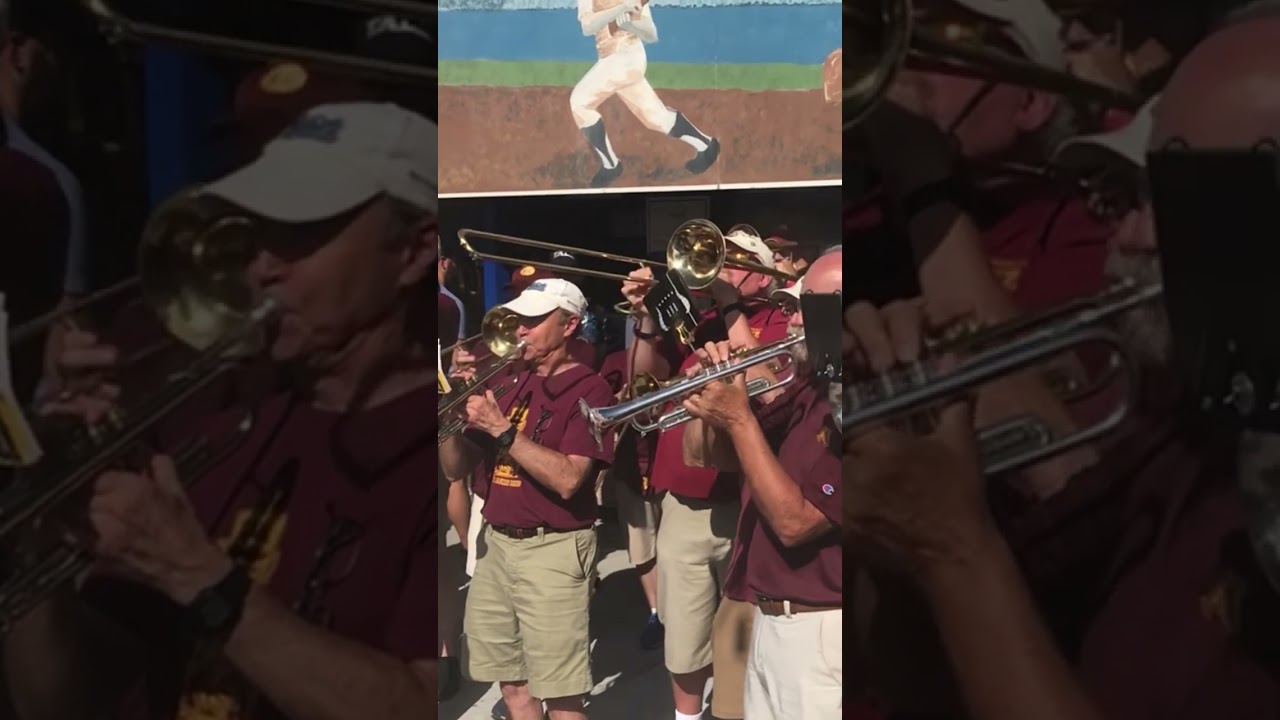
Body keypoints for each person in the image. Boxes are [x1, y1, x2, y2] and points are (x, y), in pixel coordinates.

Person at [843, 5, 1280, 718]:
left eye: (1176, 202)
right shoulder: (1185, 433)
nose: (1128, 234)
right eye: (1126, 196)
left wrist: (952, 551)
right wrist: (901, 535)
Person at [5, 102, 441, 720]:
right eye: (258, 231)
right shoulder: (219, 406)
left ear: (417, 250)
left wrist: (199, 579)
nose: (260, 265)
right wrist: (34, 526)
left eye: (300, 232)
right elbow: (63, 703)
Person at [622, 227, 788, 720]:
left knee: (751, 637)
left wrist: (731, 305)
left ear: (763, 276)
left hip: (751, 500)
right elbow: (640, 382)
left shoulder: (779, 318)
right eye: (721, 257)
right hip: (687, 502)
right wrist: (648, 315)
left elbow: (769, 380)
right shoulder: (693, 324)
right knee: (686, 638)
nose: (724, 267)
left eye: (739, 260)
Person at [440, 277, 615, 720]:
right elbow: (455, 468)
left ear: (570, 324)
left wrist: (502, 430)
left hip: (552, 547)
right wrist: (448, 410)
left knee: (561, 694)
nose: (520, 331)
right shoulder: (510, 382)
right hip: (498, 546)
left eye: (535, 321)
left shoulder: (590, 389)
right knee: (512, 683)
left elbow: (570, 479)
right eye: (520, 320)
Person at [683, 249, 844, 720]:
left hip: (821, 633)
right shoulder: (808, 384)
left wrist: (736, 418)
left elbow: (795, 523)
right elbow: (703, 455)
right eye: (792, 307)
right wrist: (715, 390)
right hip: (770, 620)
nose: (791, 321)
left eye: (804, 309)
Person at [571, 0, 719, 187]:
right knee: (654, 117)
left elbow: (651, 34)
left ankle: (611, 165)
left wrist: (630, 24)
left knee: (580, 102)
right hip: (610, 60)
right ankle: (707, 145)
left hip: (628, 58)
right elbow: (588, 26)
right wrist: (621, 8)